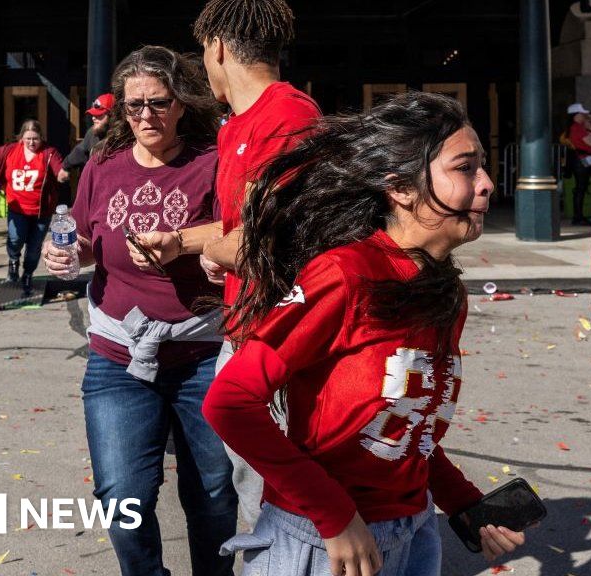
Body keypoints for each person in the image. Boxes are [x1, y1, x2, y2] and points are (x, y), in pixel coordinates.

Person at [203, 92, 525, 576]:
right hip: (322, 545)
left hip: (416, 536)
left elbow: (407, 425)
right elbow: (229, 402)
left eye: (482, 166)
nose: (487, 184)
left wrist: (464, 503)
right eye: (465, 168)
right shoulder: (344, 275)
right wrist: (333, 514)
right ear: (402, 189)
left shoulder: (447, 293)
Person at [42, 46, 236, 576]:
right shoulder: (103, 165)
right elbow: (87, 241)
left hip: (201, 354)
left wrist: (186, 244)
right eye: (134, 105)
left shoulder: (212, 161)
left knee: (213, 496)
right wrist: (65, 253)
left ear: (181, 104)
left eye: (158, 102)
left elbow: (237, 230)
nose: (146, 115)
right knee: (121, 499)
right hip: (118, 358)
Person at [192, 0, 321, 527]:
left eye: (203, 52)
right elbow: (236, 232)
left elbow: (260, 245)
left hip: (279, 337)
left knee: (280, 501)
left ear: (219, 48)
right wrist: (180, 242)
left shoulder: (288, 117)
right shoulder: (234, 127)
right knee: (254, 489)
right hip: (244, 327)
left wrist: (215, 250)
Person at [0, 119, 64, 296]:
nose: (32, 142)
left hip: (41, 211)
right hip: (17, 208)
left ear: (41, 138)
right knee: (15, 239)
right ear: (21, 138)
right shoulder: (9, 151)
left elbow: (58, 168)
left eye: (35, 139)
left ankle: (28, 274)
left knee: (34, 247)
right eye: (28, 138)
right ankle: (13, 260)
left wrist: (62, 174)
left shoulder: (48, 153)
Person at [57, 93, 113, 184]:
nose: (93, 118)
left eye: (99, 115)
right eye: (93, 114)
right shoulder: (92, 133)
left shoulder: (124, 138)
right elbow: (80, 150)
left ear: (113, 116)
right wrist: (65, 167)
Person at [565, 102, 591, 225]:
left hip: (583, 159)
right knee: (581, 187)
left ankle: (579, 216)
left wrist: (589, 129)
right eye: (582, 114)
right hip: (581, 160)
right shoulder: (577, 127)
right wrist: (590, 129)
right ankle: (578, 217)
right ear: (576, 115)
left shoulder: (579, 127)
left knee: (582, 187)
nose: (584, 117)